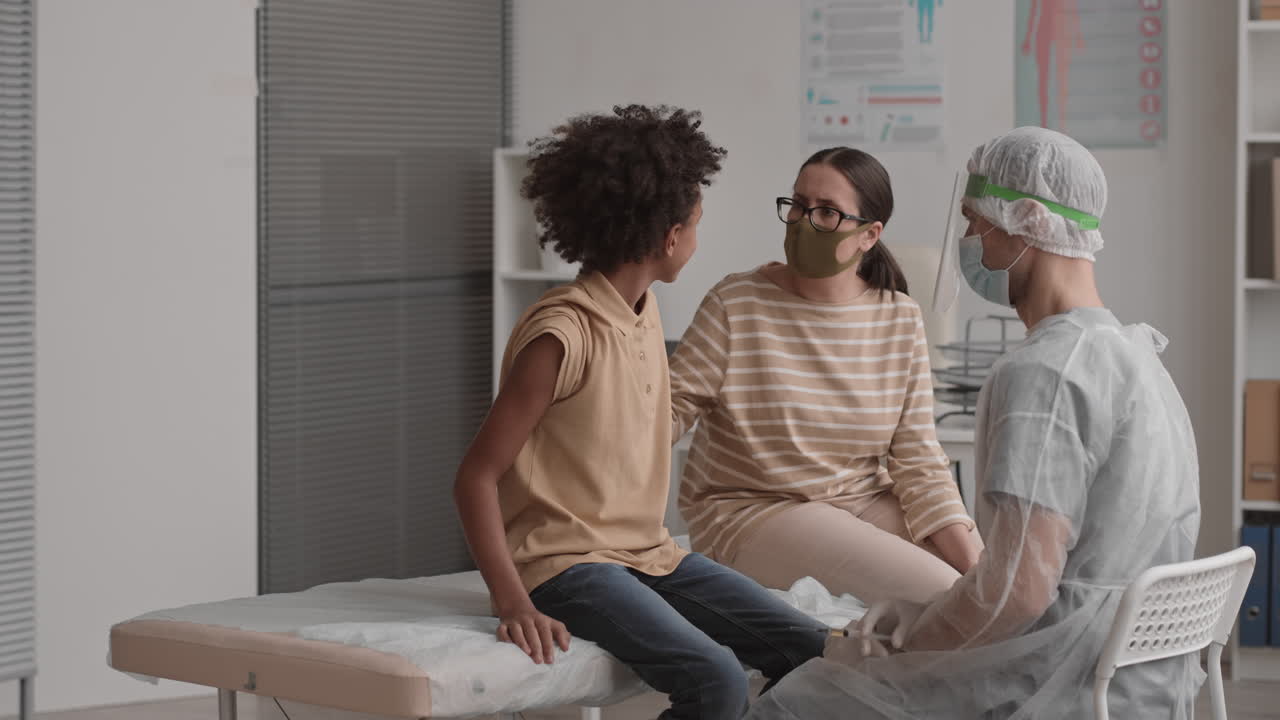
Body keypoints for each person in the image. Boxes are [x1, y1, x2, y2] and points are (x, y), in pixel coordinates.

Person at [747, 126, 1202, 719]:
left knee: (794, 697)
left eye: (973, 220)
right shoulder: (1137, 355)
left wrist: (904, 644)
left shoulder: (1048, 373)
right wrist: (925, 612)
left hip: (1058, 685)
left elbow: (1018, 593)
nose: (967, 241)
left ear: (1029, 222)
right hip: (1141, 685)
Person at [453, 105, 826, 720]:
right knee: (716, 680)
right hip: (567, 566)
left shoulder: (644, 309)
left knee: (810, 648)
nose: (698, 241)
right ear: (668, 237)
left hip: (648, 556)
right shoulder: (562, 333)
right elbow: (475, 477)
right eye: (697, 225)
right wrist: (512, 601)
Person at [669, 147, 982, 608]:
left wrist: (980, 567)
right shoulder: (736, 303)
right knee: (946, 597)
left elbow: (919, 459)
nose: (803, 221)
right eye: (797, 204)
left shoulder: (899, 317)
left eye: (828, 213)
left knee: (985, 588)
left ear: (869, 235)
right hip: (753, 509)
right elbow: (664, 416)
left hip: (861, 499)